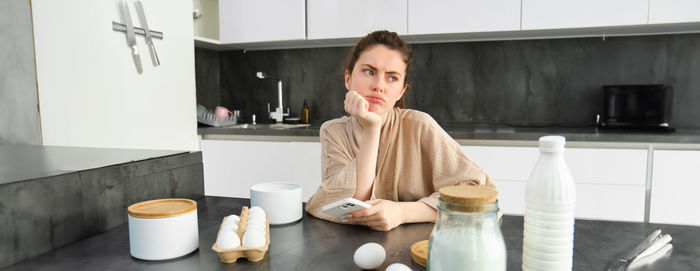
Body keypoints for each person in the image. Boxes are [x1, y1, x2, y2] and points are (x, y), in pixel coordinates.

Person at [305, 30, 496, 231]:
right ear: (347, 78)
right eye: (369, 72)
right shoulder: (333, 131)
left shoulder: (420, 125)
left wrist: (403, 212)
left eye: (392, 78)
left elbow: (476, 196)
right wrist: (372, 128)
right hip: (351, 247)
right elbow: (347, 205)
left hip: (425, 242)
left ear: (401, 91)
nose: (379, 86)